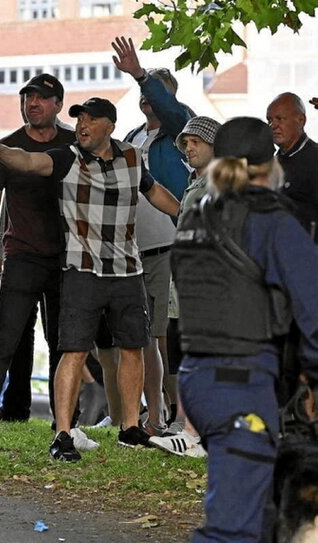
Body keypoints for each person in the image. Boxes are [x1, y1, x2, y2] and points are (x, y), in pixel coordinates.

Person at [0, 96, 180, 461]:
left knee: (133, 347)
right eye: (80, 118)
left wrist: (183, 215)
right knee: (73, 350)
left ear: (109, 127)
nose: (82, 125)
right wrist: (0, 150)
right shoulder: (67, 157)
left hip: (127, 269)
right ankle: (64, 433)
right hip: (82, 269)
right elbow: (30, 161)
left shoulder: (132, 156)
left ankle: (130, 427)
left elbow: (153, 191)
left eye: (90, 119)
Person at [171, 116, 318, 542]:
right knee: (233, 530)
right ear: (269, 166)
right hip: (242, 385)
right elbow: (313, 310)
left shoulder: (197, 216)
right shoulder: (271, 220)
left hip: (199, 381)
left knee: (259, 516)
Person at [0, 74, 80, 456]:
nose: (33, 104)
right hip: (21, 255)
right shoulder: (6, 148)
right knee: (5, 342)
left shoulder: (74, 143)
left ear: (58, 103)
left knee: (65, 344)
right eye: (27, 98)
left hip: (68, 258)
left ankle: (68, 428)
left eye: (42, 98)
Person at [113, 36, 193, 436]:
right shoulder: (129, 138)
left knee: (164, 335)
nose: (148, 101)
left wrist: (142, 75)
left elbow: (172, 110)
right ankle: (149, 412)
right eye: (144, 94)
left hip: (167, 246)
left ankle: (175, 415)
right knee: (141, 336)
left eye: (156, 95)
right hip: (132, 249)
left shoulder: (181, 134)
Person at [149, 115, 221, 458]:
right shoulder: (196, 182)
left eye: (195, 143)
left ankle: (195, 435)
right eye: (186, 144)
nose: (188, 148)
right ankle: (186, 429)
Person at [266, 92, 318, 242]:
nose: (273, 125)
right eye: (269, 120)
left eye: (280, 119)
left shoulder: (314, 160)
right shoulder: (270, 163)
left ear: (301, 120)